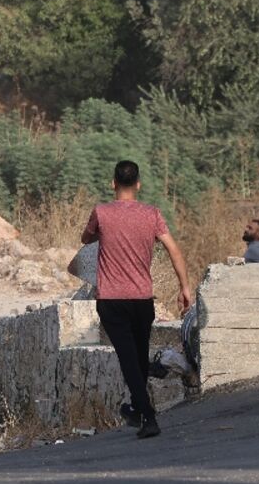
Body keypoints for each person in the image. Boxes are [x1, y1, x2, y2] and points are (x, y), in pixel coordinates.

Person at [81, 160, 193, 439]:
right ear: (139, 184)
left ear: (113, 183)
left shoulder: (101, 212)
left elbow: (85, 238)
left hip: (112, 299)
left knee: (130, 360)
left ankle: (148, 416)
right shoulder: (152, 214)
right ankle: (135, 408)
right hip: (143, 298)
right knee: (138, 357)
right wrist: (184, 287)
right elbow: (174, 250)